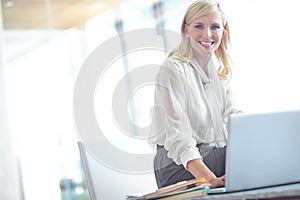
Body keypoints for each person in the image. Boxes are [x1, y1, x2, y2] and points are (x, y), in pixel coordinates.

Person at [149, 0, 241, 189]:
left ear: (223, 32)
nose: (207, 34)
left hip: (209, 156)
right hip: (175, 165)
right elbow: (179, 140)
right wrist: (211, 180)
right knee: (250, 154)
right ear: (186, 30)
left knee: (255, 151)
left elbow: (236, 120)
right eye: (199, 26)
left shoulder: (221, 72)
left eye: (215, 27)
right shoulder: (173, 69)